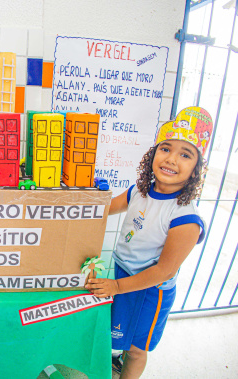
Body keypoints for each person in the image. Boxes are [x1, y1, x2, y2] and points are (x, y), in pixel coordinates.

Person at [85, 106, 213, 378]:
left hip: (150, 292)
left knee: (136, 348)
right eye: (165, 149)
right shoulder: (138, 192)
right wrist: (83, 197)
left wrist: (117, 287)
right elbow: (104, 208)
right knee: (115, 336)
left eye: (185, 154)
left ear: (196, 169)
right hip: (123, 275)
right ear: (153, 154)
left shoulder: (186, 218)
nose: (171, 159)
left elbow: (163, 271)